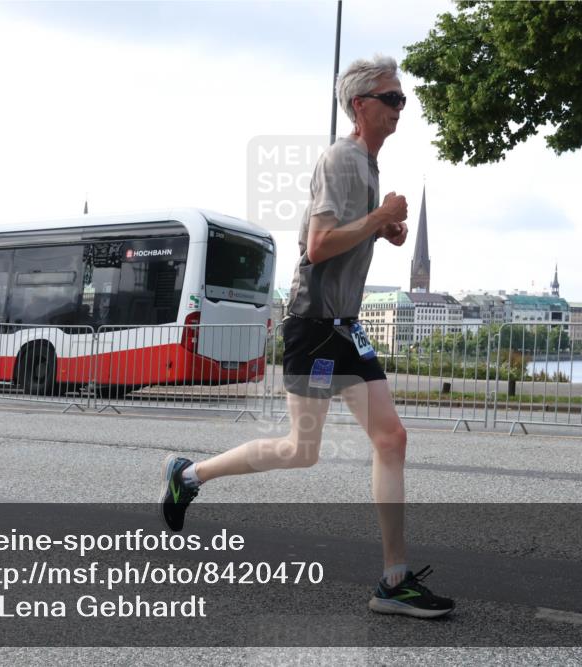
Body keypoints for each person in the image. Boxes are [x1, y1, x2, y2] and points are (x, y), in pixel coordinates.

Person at [159, 55, 454, 619]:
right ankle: (188, 475)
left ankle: (394, 581)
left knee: (392, 439)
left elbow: (342, 238)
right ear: (359, 105)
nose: (401, 109)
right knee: (301, 451)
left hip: (345, 326)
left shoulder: (366, 165)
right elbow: (317, 246)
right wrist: (377, 219)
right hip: (315, 326)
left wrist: (382, 228)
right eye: (391, 99)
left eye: (403, 99)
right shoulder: (343, 160)